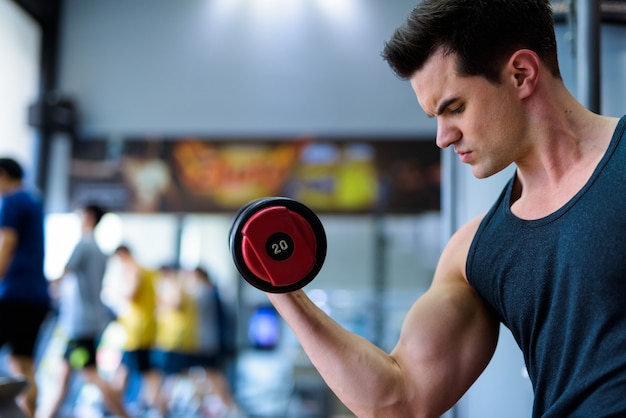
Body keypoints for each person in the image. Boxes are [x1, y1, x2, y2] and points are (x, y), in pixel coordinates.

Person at [263, 1, 626, 417]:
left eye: (454, 108)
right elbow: (401, 400)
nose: (442, 137)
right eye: (435, 116)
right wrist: (282, 288)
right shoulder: (475, 252)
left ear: (521, 74)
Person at [42, 204, 129, 418]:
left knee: (90, 373)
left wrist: (40, 287)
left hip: (80, 324)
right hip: (88, 320)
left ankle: (125, 415)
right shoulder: (99, 250)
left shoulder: (84, 244)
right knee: (64, 374)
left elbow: (62, 275)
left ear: (89, 217)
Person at [0, 157, 51, 417]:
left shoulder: (11, 200)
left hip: (14, 294)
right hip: (36, 296)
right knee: (24, 363)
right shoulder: (33, 201)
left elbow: (6, 244)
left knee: (20, 363)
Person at [110, 244, 160, 413]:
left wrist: (114, 291)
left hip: (137, 330)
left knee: (137, 370)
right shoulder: (147, 270)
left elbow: (130, 293)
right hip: (144, 327)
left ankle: (115, 406)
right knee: (135, 369)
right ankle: (116, 406)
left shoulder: (134, 270)